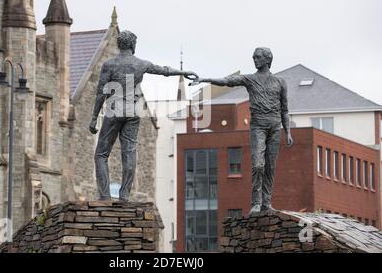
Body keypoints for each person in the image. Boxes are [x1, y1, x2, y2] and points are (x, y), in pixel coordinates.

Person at [90, 30, 198, 201]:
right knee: (129, 152)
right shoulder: (141, 64)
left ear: (119, 45)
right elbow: (164, 70)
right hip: (134, 111)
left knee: (101, 154)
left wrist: (94, 117)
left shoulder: (109, 65)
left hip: (114, 109)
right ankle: (124, 195)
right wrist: (183, 73)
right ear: (133, 45)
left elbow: (100, 92)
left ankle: (104, 195)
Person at [190, 47, 294, 214]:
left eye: (258, 57)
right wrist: (203, 79)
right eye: (254, 57)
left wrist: (288, 131)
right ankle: (256, 202)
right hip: (258, 125)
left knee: (270, 167)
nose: (254, 60)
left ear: (267, 60)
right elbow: (227, 81)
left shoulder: (280, 82)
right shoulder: (250, 79)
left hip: (275, 126)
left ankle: (266, 202)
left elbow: (285, 109)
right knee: (258, 165)